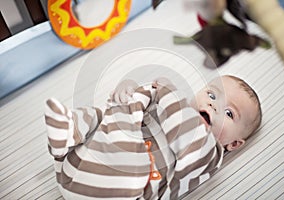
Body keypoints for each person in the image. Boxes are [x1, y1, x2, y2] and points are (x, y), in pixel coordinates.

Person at [44, 75, 261, 199]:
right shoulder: (170, 105)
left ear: (234, 144)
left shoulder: (210, 155)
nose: (214, 105)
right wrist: (129, 89)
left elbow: (185, 135)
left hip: (120, 189)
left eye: (229, 113)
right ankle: (69, 131)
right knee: (102, 115)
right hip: (72, 168)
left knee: (122, 130)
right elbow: (137, 107)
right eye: (212, 95)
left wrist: (166, 91)